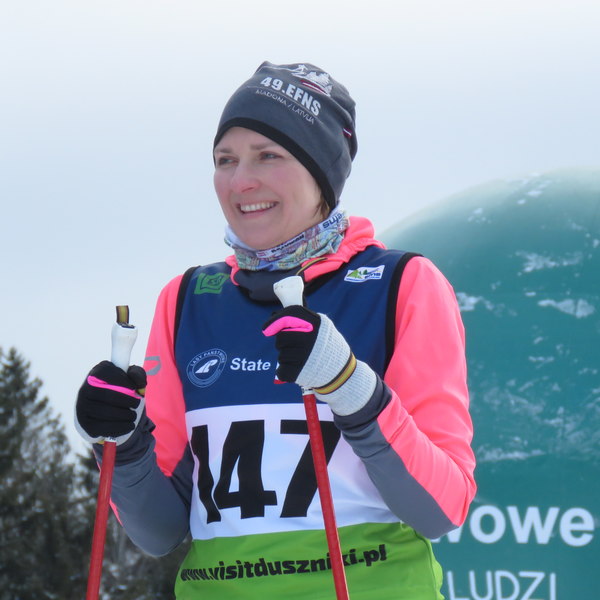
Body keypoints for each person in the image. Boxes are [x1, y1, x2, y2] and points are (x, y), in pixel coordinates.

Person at [76, 61, 476, 599]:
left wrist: (349, 387)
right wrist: (120, 444)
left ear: (321, 174)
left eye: (269, 155)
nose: (241, 181)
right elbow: (159, 531)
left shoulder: (401, 284)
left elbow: (440, 509)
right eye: (225, 160)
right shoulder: (187, 299)